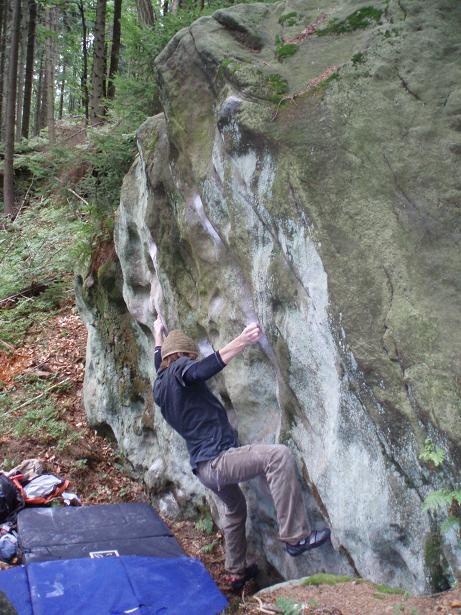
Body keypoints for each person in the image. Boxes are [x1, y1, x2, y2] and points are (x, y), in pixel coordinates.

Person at [153, 318, 331, 591]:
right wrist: (243, 340)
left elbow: (159, 360)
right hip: (218, 461)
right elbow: (199, 371)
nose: (190, 361)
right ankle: (295, 537)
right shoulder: (180, 369)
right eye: (189, 357)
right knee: (278, 456)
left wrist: (158, 334)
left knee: (235, 509)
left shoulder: (160, 383)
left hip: (203, 470)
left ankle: (236, 572)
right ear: (183, 357)